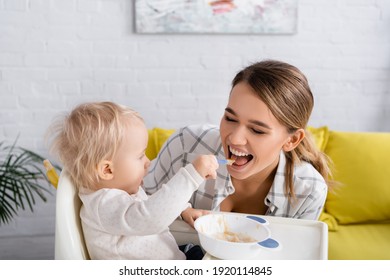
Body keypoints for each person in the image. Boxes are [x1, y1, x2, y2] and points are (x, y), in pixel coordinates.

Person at [142, 59, 332, 227]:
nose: (234, 138)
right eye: (230, 118)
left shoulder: (309, 191)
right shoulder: (186, 146)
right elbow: (134, 205)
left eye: (257, 130)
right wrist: (178, 208)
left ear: (291, 140)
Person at [47, 101, 219, 260]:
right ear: (107, 170)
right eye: (140, 156)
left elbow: (153, 203)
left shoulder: (119, 190)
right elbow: (151, 217)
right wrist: (192, 176)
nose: (147, 161)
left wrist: (183, 210)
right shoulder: (103, 205)